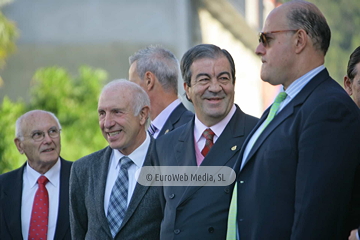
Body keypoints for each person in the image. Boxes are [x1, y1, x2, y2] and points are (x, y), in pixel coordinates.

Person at [233, 1, 360, 239]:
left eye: (266, 38)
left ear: (299, 41)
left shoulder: (329, 109)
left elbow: (317, 220)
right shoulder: (284, 104)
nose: (259, 49)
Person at [154, 43, 258, 239]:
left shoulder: (258, 135)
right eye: (204, 79)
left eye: (223, 78)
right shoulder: (164, 145)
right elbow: (161, 216)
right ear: (187, 89)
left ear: (234, 83)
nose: (215, 87)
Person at [69, 79, 163, 240]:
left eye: (117, 112)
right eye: (102, 113)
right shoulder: (83, 169)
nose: (107, 123)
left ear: (142, 115)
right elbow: (79, 232)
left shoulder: (170, 163)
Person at [0, 110, 72, 239]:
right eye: (38, 135)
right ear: (19, 145)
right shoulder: (3, 186)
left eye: (53, 131)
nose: (48, 140)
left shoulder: (83, 177)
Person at [129, 45, 193, 138]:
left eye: (132, 84)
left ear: (149, 80)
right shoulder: (149, 130)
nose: (130, 92)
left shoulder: (189, 129)